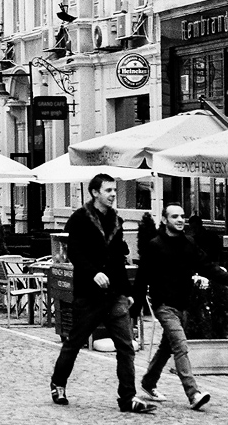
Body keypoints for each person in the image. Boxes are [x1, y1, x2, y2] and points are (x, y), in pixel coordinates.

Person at [49, 174, 156, 414]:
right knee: (74, 342)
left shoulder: (116, 220)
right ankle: (58, 383)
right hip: (88, 294)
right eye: (108, 190)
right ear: (95, 192)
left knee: (126, 347)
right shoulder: (79, 219)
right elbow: (74, 253)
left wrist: (127, 292)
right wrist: (92, 273)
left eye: (114, 191)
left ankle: (127, 398)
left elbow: (118, 257)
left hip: (114, 294)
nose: (112, 194)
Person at [133, 204, 212, 410]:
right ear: (165, 220)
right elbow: (142, 277)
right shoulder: (155, 245)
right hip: (164, 305)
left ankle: (149, 382)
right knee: (180, 345)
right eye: (174, 216)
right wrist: (136, 307)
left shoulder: (189, 243)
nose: (180, 219)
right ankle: (193, 393)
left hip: (183, 305)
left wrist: (227, 278)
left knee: (166, 347)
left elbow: (205, 264)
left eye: (182, 216)